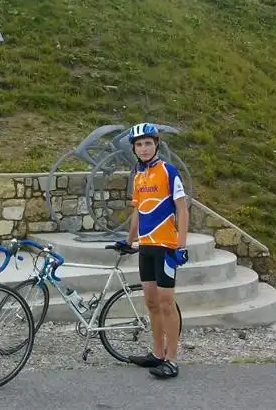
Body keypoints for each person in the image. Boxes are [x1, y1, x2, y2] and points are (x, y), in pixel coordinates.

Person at [122, 122, 189, 379]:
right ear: (134, 149)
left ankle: (172, 359)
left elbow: (182, 209)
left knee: (165, 303)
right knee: (150, 302)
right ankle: (157, 353)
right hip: (146, 247)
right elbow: (137, 212)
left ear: (156, 144)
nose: (144, 148)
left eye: (148, 143)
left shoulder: (168, 171)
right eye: (139, 144)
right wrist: (129, 241)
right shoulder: (138, 176)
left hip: (166, 247)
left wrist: (181, 246)